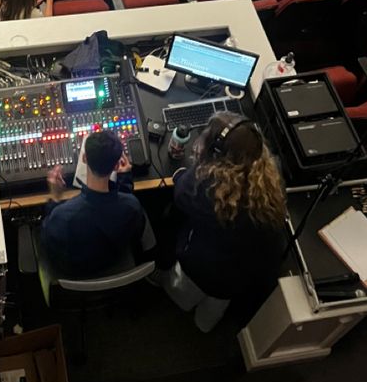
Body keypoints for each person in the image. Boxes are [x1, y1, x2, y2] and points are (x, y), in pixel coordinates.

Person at [152, 113, 287, 332]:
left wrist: (192, 169)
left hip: (202, 269)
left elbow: (181, 194)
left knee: (184, 294)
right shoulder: (270, 180)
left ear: (216, 153)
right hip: (240, 278)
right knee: (211, 313)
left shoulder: (201, 188)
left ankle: (182, 317)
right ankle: (203, 328)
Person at [40, 130, 149, 278]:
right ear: (117, 166)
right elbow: (133, 231)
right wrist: (124, 180)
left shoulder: (62, 217)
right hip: (114, 263)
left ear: (84, 158)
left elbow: (47, 240)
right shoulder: (132, 205)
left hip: (76, 275)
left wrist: (55, 198)